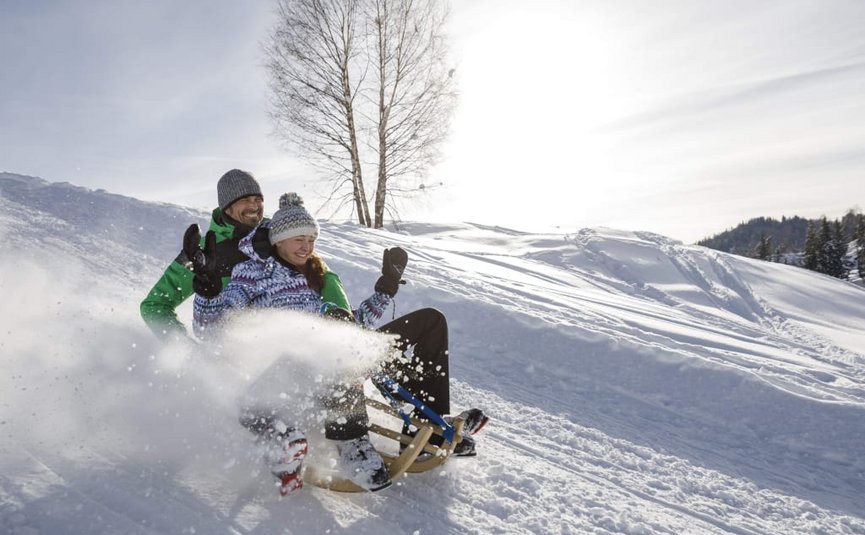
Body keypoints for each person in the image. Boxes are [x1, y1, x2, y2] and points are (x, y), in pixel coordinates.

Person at [190, 192, 486, 493]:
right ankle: (351, 446)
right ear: (278, 240)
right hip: (287, 370)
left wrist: (386, 289)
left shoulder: (315, 275)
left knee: (430, 320)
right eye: (298, 239)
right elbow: (211, 328)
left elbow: (354, 326)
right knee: (331, 348)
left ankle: (431, 431)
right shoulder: (252, 273)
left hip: (334, 355)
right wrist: (207, 291)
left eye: (311, 239)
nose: (307, 247)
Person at [139, 169, 269, 338]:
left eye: (258, 199)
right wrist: (183, 347)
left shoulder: (278, 235)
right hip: (231, 353)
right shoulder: (202, 250)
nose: (254, 206)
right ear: (227, 207)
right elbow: (155, 305)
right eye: (245, 200)